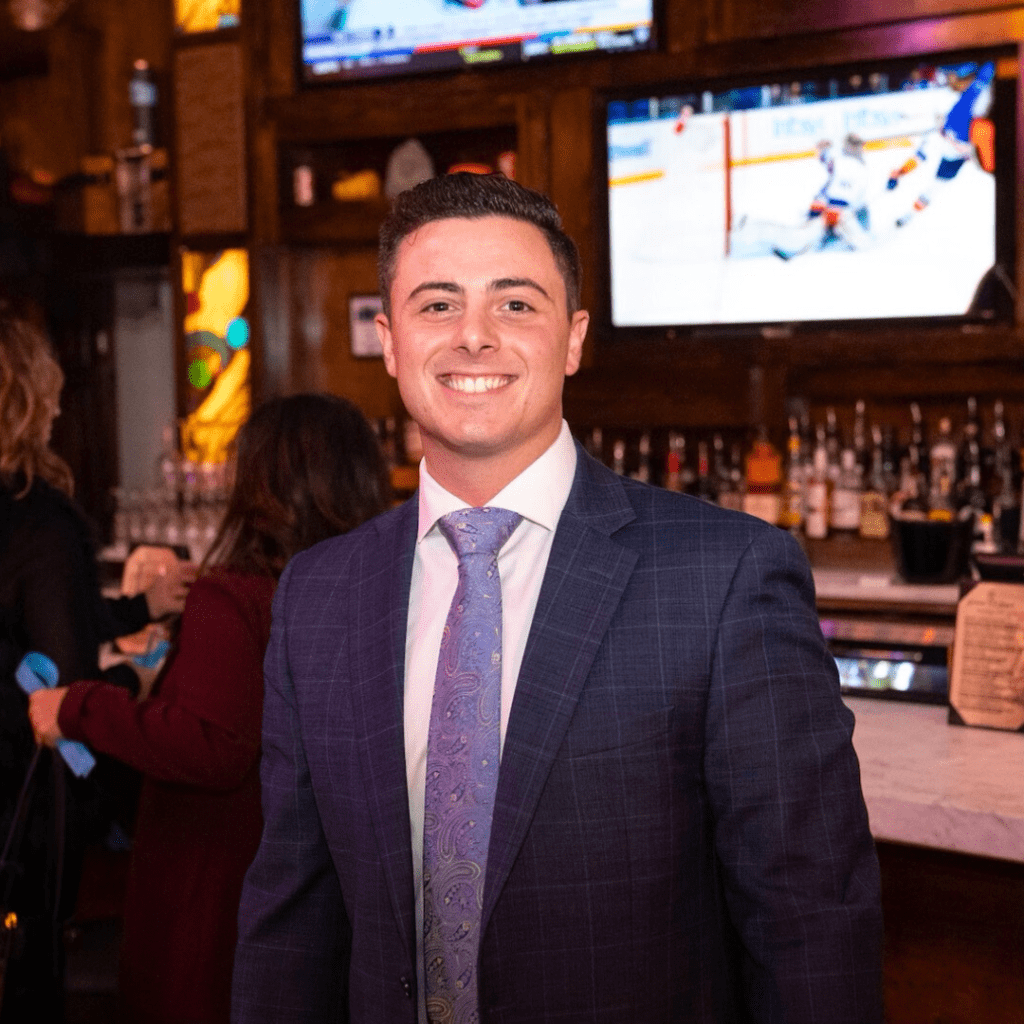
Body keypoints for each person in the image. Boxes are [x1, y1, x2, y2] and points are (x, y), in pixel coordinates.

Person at [232, 172, 884, 1023]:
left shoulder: (722, 576)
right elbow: (292, 921)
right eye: (436, 306)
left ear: (573, 339)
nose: (473, 337)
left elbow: (810, 923)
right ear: (389, 342)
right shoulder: (318, 595)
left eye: (515, 305)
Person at [28, 393, 391, 1024]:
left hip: (224, 876)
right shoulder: (375, 586)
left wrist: (80, 707)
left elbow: (211, 745)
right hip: (334, 874)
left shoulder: (236, 596)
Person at [0, 312, 194, 1023]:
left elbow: (28, 624)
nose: (57, 404)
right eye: (48, 391)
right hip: (20, 789)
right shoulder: (37, 517)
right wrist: (141, 680)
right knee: (25, 978)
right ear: (26, 398)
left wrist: (136, 607)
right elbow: (68, 687)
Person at [887, 60, 995, 227]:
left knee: (935, 186)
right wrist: (899, 173)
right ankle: (910, 214)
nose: (953, 83)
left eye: (956, 79)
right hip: (956, 149)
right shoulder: (970, 94)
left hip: (960, 149)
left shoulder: (972, 95)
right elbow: (917, 159)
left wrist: (899, 174)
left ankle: (910, 214)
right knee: (935, 185)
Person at [773, 133, 871, 260]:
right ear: (847, 145)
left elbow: (855, 197)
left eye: (857, 145)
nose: (856, 148)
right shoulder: (840, 159)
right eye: (853, 144)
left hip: (846, 210)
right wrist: (824, 149)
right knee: (817, 214)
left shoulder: (858, 166)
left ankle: (824, 238)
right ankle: (805, 241)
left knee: (836, 221)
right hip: (832, 204)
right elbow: (826, 159)